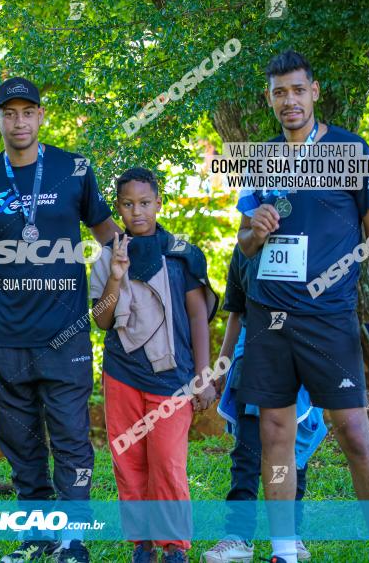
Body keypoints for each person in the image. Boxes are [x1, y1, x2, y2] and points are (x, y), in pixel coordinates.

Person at [236, 50, 369, 563]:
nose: (289, 100)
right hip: (269, 316)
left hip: (329, 318)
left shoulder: (350, 150)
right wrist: (253, 232)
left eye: (297, 90)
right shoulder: (260, 158)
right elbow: (243, 244)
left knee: (353, 429)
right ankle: (284, 550)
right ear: (270, 99)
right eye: (279, 92)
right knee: (274, 430)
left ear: (314, 92)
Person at [0, 77, 119, 563]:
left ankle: (73, 540)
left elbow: (110, 235)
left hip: (65, 333)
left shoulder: (74, 168)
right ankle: (36, 535)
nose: (20, 121)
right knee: (19, 442)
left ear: (41, 116)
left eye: (28, 111)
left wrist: (141, 274)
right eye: (9, 113)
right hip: (6, 336)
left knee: (72, 439)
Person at [90, 168, 218, 563]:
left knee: (167, 461)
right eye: (128, 205)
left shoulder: (182, 253)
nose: (137, 211)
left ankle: (175, 545)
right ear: (119, 208)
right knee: (129, 460)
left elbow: (198, 317)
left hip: (173, 377)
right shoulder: (110, 254)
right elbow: (103, 319)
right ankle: (141, 544)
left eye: (145, 203)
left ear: (158, 203)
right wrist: (115, 278)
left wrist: (203, 375)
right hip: (122, 373)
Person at [203, 245, 326, 563]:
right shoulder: (245, 247)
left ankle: (291, 535)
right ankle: (238, 537)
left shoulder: (314, 236)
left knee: (294, 453)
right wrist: (221, 365)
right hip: (251, 356)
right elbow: (235, 311)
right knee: (246, 452)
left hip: (301, 355)